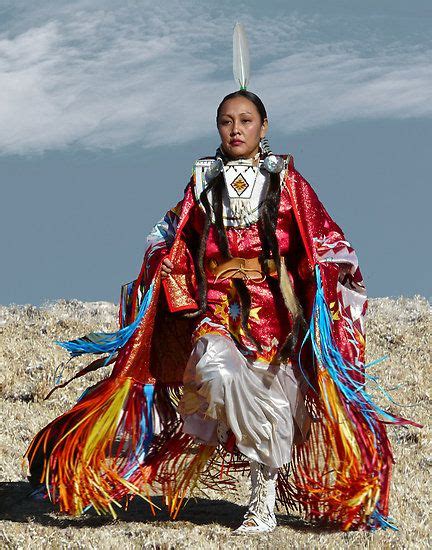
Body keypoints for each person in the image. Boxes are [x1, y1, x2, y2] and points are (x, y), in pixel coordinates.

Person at [25, 88, 418, 534]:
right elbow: (171, 237)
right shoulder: (202, 182)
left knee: (275, 401)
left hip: (276, 317)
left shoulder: (288, 183)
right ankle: (229, 433)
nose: (236, 129)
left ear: (263, 127)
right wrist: (163, 272)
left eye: (246, 120)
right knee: (215, 370)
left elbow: (325, 241)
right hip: (217, 309)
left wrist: (323, 280)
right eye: (227, 121)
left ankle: (262, 501)